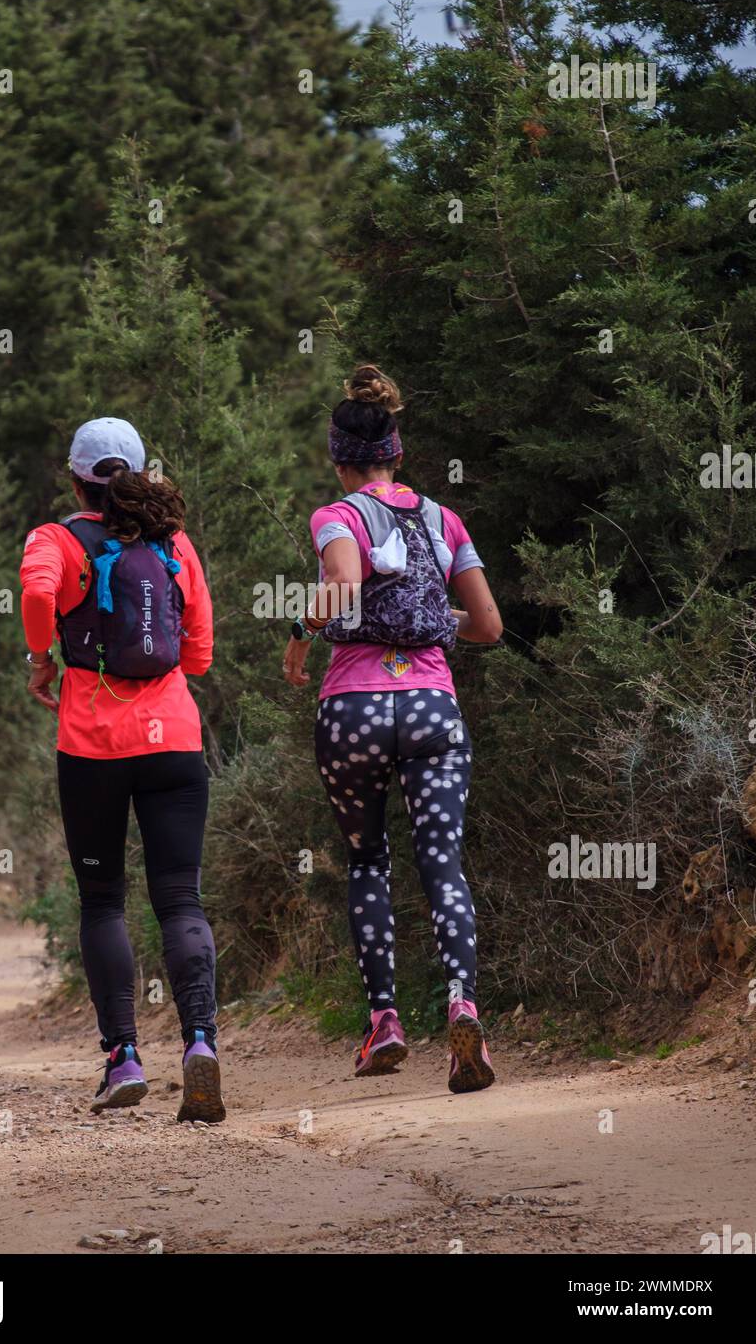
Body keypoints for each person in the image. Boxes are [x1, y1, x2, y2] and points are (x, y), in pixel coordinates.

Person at [283, 366, 502, 1092]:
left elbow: (343, 583)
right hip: (434, 707)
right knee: (443, 864)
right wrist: (434, 620)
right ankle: (463, 1005)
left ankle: (384, 1023)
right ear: (398, 454)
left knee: (369, 861)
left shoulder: (336, 515)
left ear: (338, 457)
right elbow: (490, 628)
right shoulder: (444, 519)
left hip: (354, 707)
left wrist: (298, 629)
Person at [20, 416, 224, 1122]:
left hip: (91, 747)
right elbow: (197, 654)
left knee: (103, 901)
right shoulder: (175, 542)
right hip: (174, 742)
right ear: (140, 471)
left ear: (74, 477)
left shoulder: (57, 540)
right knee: (180, 899)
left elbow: (38, 596)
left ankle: (125, 1058)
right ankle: (201, 1043)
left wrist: (41, 660)